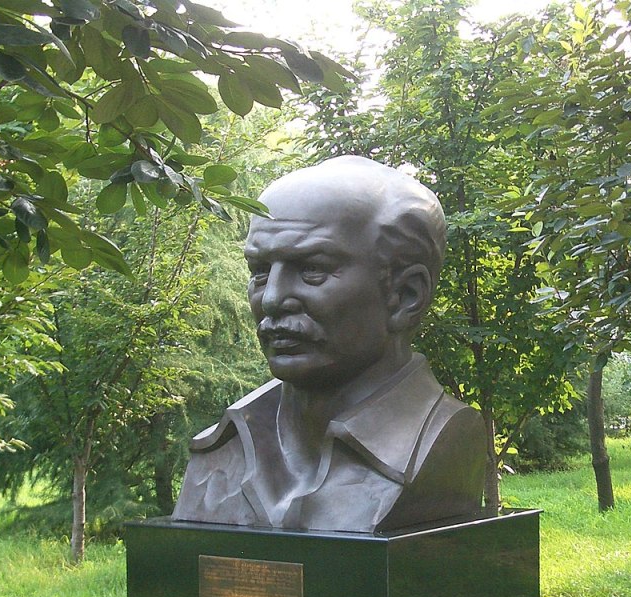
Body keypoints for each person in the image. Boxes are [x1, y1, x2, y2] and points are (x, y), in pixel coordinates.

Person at [171, 156, 486, 533]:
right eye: (260, 271)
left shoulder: (439, 443)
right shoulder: (222, 450)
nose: (271, 299)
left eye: (312, 270)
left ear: (406, 295)